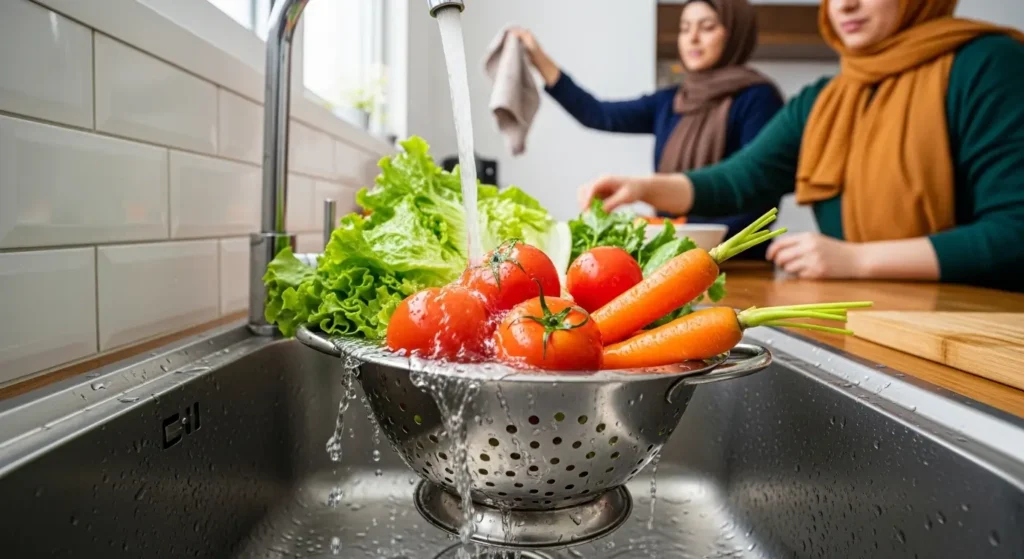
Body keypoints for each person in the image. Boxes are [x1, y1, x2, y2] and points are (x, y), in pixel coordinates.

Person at [578, 0, 1024, 293]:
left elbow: (1015, 233)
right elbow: (741, 178)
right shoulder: (824, 99)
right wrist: (642, 187)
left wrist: (857, 259)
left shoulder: (988, 65)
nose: (844, 5)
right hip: (871, 313)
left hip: (974, 329)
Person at [513, 0, 784, 259]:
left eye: (707, 27)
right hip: (673, 257)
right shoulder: (671, 101)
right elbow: (597, 114)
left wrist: (699, 238)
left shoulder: (758, 99)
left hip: (742, 259)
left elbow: (758, 192)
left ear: (735, 33)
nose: (692, 38)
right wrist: (538, 58)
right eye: (684, 28)